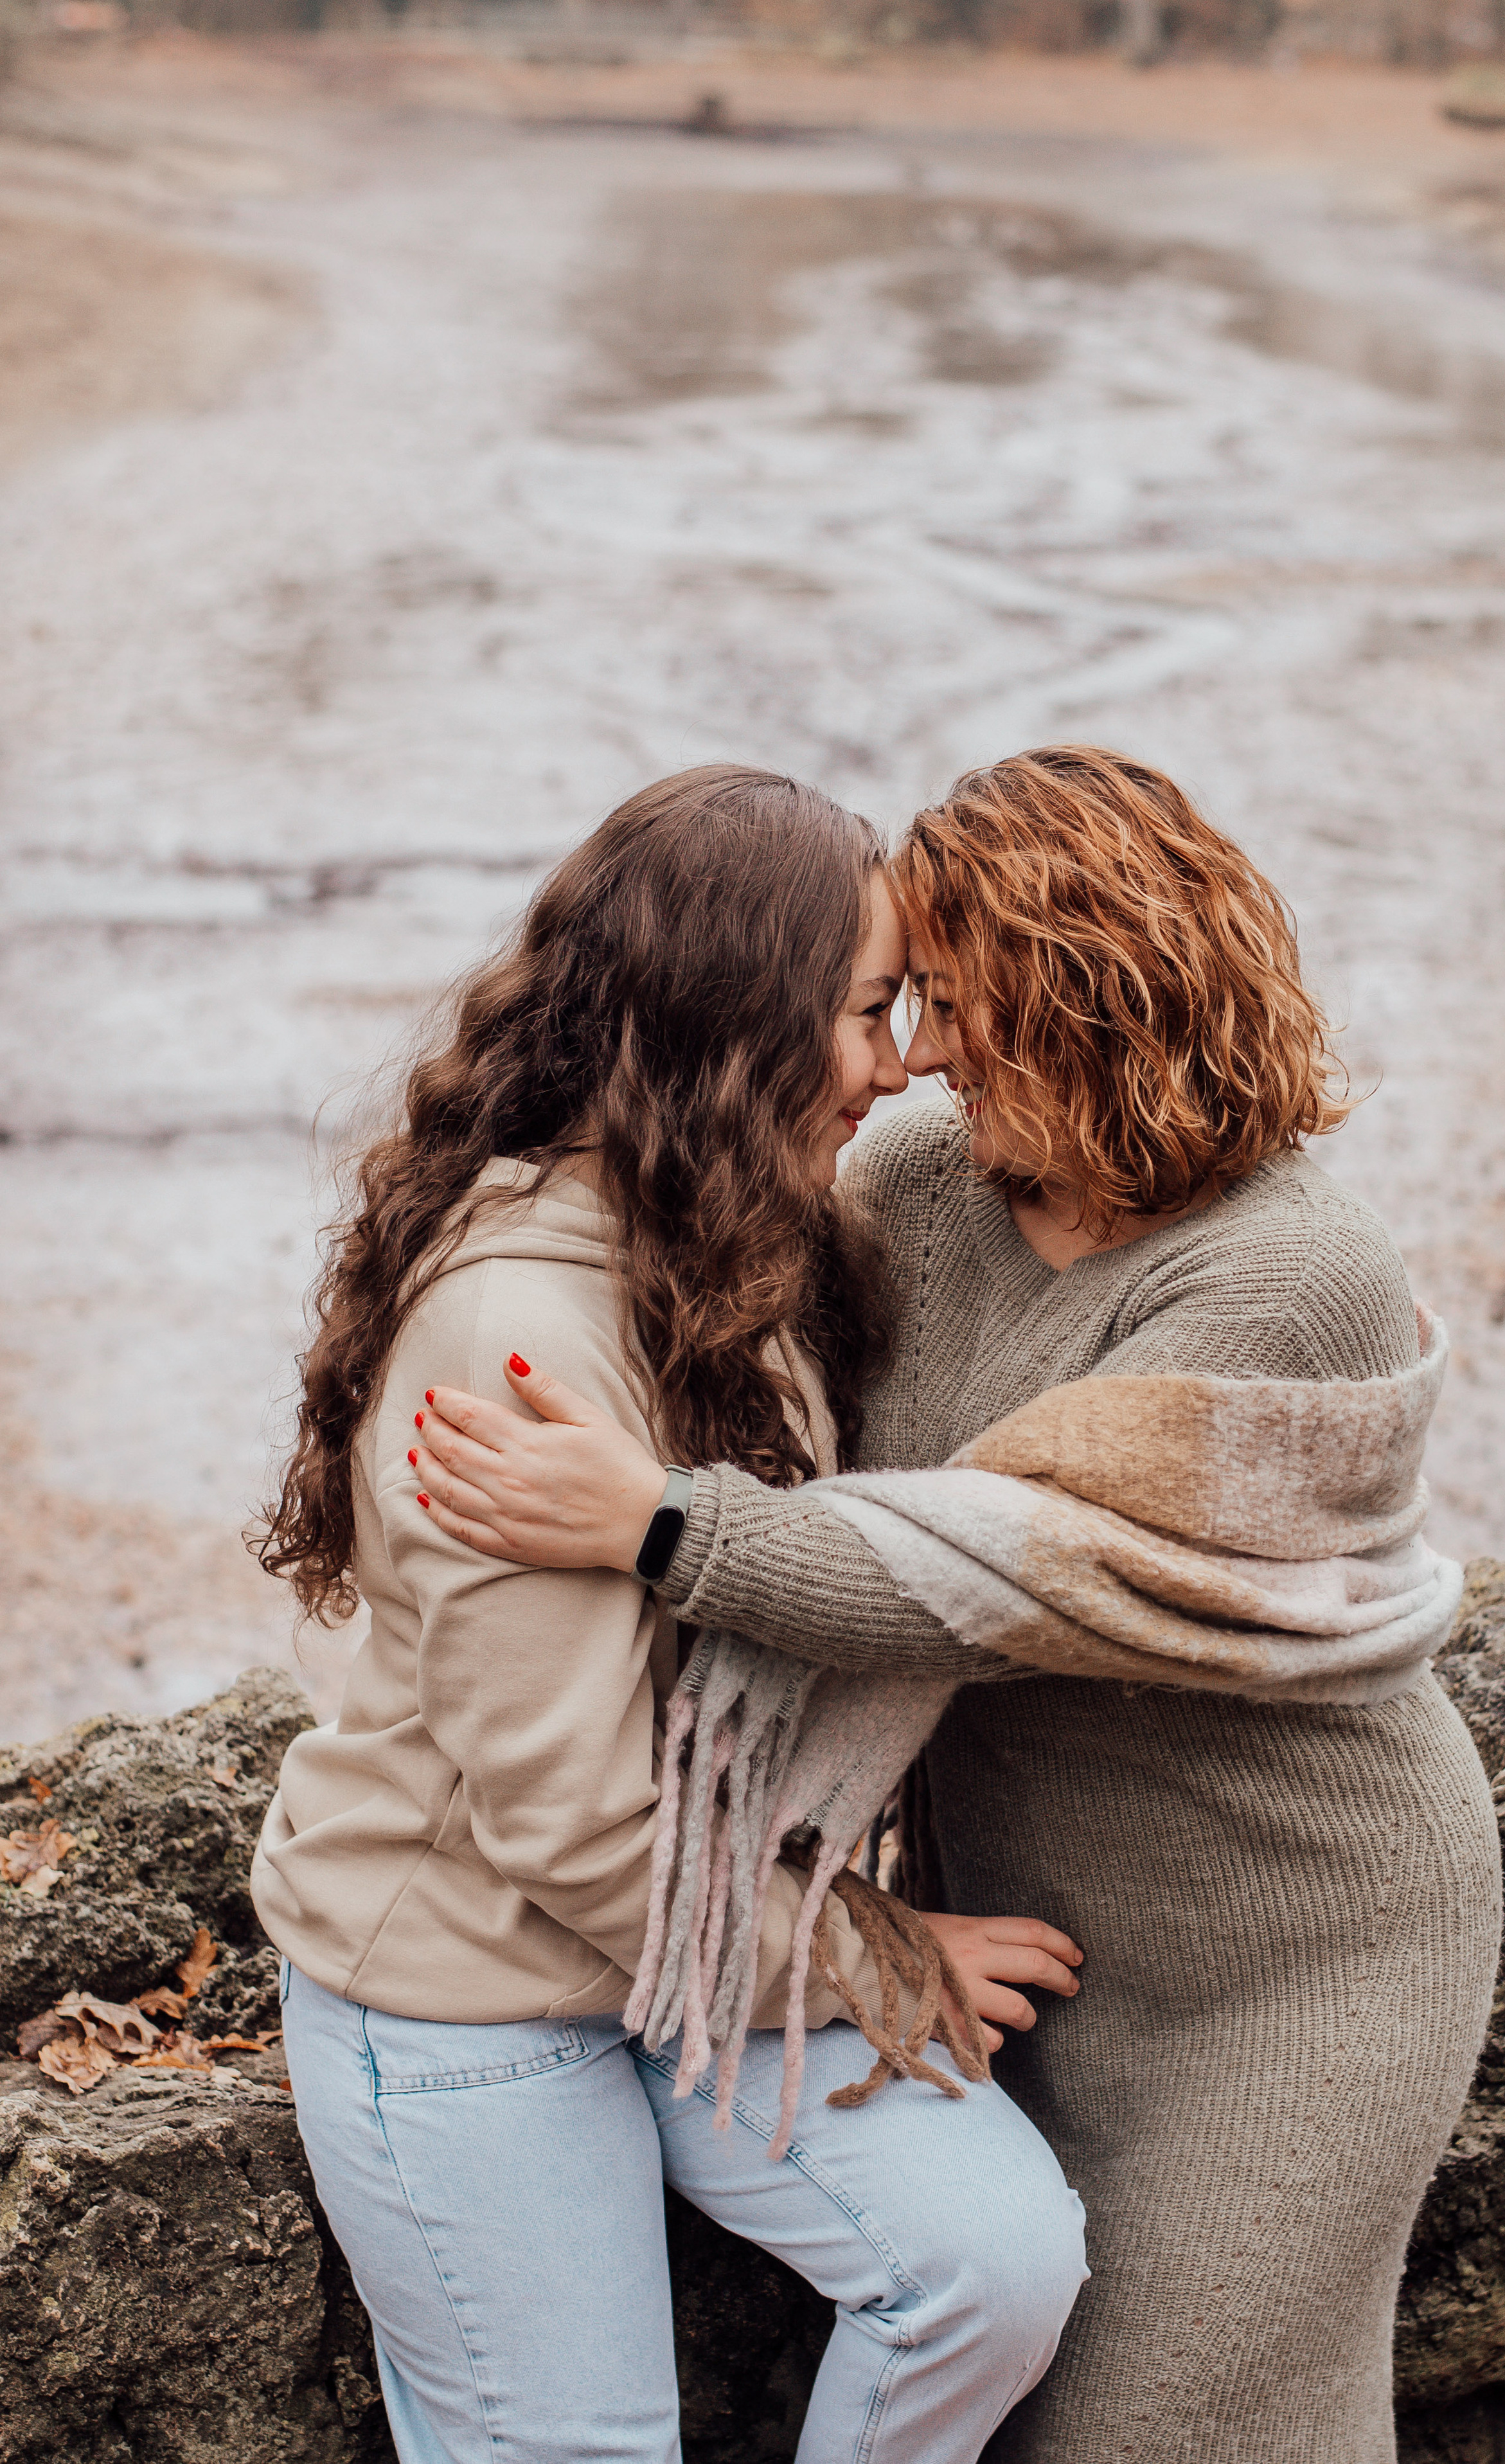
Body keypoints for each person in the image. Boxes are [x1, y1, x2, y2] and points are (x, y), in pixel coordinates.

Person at [411, 745, 1504, 2464]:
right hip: (1046, 1938)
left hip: (1299, 1962)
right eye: (898, 999)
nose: (912, 1052)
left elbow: (991, 1571)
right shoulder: (932, 1187)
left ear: (1086, 998)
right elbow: (690, 1254)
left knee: (1172, 2427)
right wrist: (471, 1282)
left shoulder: (1293, 1278)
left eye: (950, 1002)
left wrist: (656, 1527)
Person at [249, 765, 1089, 2464]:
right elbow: (571, 1825)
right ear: (740, 1026)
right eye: (868, 1013)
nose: (902, 1061)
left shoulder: (741, 1226)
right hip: (474, 1989)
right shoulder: (519, 1334)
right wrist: (881, 1952)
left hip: (688, 1961)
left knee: (993, 2266)